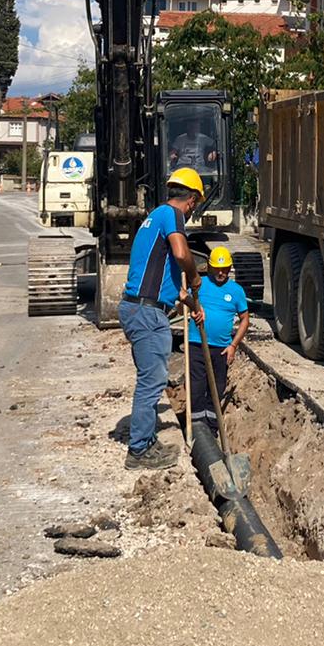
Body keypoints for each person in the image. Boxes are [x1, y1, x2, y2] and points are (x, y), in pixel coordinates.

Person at [118, 167, 205, 470]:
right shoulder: (173, 215)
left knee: (150, 378)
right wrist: (194, 276)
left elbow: (162, 276)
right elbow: (182, 254)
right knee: (152, 381)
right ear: (192, 200)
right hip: (146, 312)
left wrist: (190, 301)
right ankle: (139, 450)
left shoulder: (153, 217)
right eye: (195, 205)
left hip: (139, 307)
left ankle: (145, 439)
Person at [186, 247, 251, 437]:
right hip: (197, 344)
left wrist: (233, 345)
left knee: (217, 388)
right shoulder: (200, 284)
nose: (221, 273)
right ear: (209, 267)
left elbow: (245, 319)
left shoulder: (236, 291)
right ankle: (197, 429)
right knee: (197, 387)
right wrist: (192, 309)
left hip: (222, 349)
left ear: (230, 267)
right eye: (217, 269)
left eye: (224, 269)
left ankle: (212, 430)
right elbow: (186, 301)